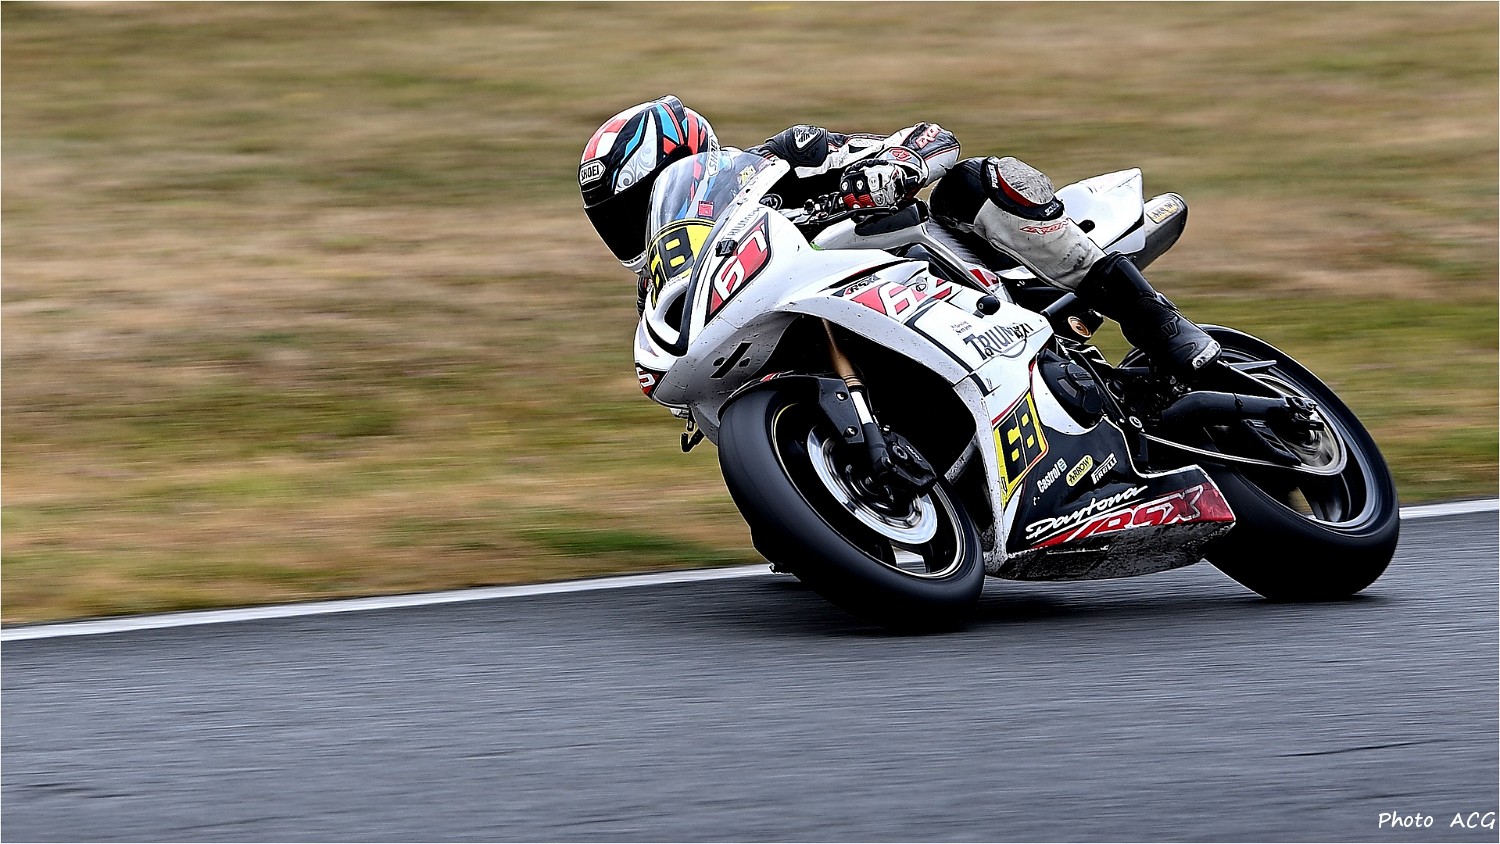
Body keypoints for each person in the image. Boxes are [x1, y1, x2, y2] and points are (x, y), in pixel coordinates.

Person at [579, 95, 1218, 376]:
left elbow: (933, 139)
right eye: (616, 219)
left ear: (686, 158)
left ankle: (1161, 326)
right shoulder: (670, 292)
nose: (631, 227)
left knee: (974, 182)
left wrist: (894, 167)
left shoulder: (782, 159)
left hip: (943, 273)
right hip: (831, 324)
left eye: (635, 203)